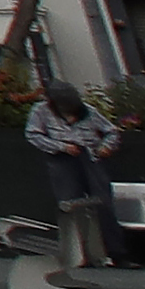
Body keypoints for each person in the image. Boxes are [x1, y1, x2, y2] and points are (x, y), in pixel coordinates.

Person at [30, 69, 128, 272]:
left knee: (102, 203)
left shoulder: (88, 111)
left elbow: (111, 131)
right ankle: (79, 255)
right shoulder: (40, 111)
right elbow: (33, 135)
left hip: (91, 156)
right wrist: (61, 147)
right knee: (70, 205)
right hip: (61, 158)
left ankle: (117, 253)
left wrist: (106, 146)